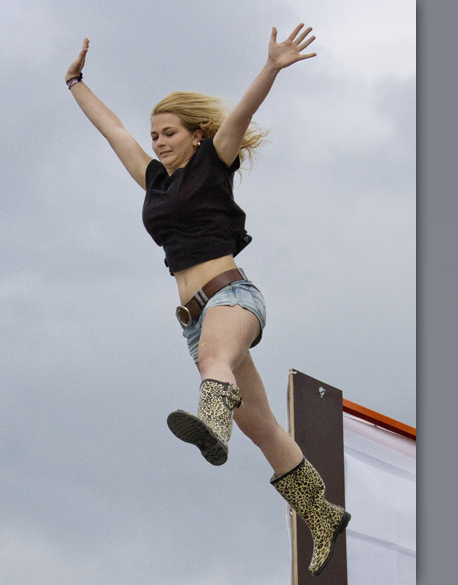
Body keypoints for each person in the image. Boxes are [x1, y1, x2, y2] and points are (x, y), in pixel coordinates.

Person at [64, 24, 350, 577]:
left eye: (169, 133)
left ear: (195, 135)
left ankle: (211, 424)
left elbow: (242, 111)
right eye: (155, 135)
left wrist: (271, 66)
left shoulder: (214, 160)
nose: (158, 142)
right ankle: (321, 512)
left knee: (213, 361)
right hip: (194, 320)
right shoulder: (154, 181)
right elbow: (113, 129)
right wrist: (75, 83)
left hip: (232, 298)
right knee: (260, 426)